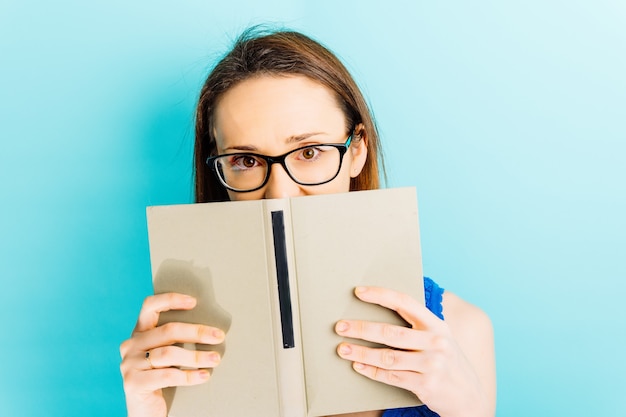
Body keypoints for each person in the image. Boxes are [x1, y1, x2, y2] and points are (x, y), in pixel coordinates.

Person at [119, 27, 496, 417]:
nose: (280, 194)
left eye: (310, 151)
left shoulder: (462, 330)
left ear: (357, 151)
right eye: (246, 161)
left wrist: (469, 409)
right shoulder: (179, 352)